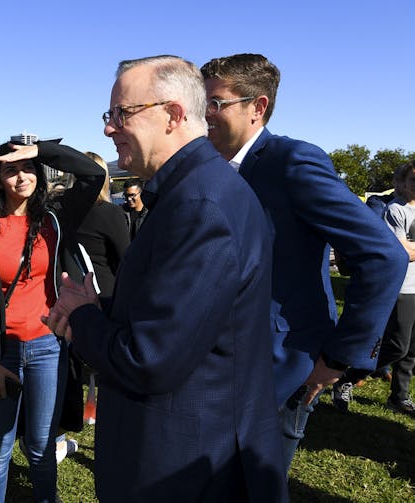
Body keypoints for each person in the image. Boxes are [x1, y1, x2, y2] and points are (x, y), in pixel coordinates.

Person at [44, 55, 287, 502]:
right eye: (108, 115)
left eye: (122, 113)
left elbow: (149, 359)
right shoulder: (191, 192)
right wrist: (101, 311)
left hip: (183, 470)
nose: (108, 128)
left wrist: (82, 316)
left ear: (174, 114)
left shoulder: (200, 205)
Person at [200, 53, 408, 474]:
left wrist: (336, 360)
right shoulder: (210, 168)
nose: (203, 113)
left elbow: (382, 255)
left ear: (257, 107)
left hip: (283, 368)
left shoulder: (291, 162)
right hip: (219, 367)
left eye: (215, 102)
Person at [0, 140, 103, 503]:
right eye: (11, 169)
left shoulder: (54, 219)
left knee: (39, 447)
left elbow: (93, 174)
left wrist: (38, 151)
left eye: (28, 169)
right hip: (1, 349)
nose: (21, 177)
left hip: (47, 346)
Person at [332, 161, 415, 416]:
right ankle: (347, 376)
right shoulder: (395, 210)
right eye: (413, 179)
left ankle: (399, 397)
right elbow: (400, 253)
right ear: (402, 183)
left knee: (411, 350)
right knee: (396, 346)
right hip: (402, 286)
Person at [76, 152, 129, 299]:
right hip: (103, 292)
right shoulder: (110, 213)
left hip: (70, 290)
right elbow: (125, 260)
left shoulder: (61, 210)